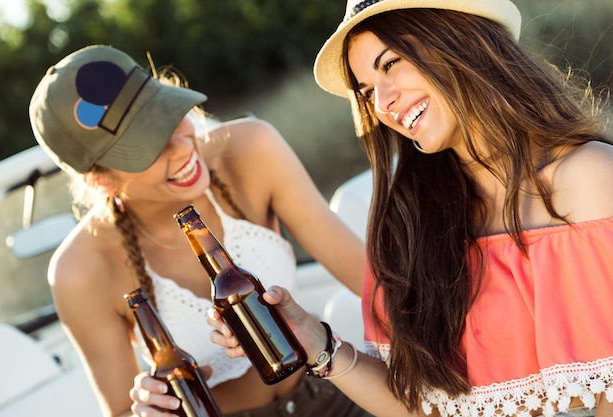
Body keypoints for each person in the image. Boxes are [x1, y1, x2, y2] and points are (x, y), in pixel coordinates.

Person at [208, 1, 613, 416]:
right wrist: (317, 344)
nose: (383, 103)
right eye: (366, 91)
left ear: (457, 41)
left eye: (390, 64)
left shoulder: (589, 180)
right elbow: (423, 409)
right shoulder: (408, 220)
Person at [28, 44, 372, 417]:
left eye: (168, 116)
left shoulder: (250, 149)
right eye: (146, 149)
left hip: (330, 386)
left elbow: (372, 285)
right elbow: (121, 412)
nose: (181, 149)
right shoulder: (79, 270)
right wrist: (149, 409)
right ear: (100, 180)